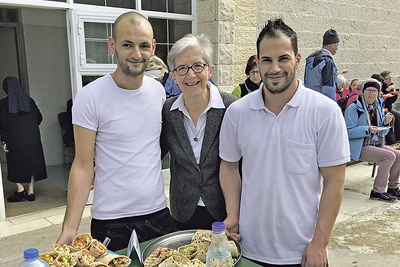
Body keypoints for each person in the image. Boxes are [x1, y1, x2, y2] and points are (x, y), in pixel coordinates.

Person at [219, 19, 350, 266]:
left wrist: (320, 242)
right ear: (257, 62)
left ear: (297, 60)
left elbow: (335, 180)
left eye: (283, 58)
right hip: (249, 248)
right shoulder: (237, 113)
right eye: (266, 60)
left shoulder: (325, 112)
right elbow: (229, 166)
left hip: (303, 251)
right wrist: (233, 215)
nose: (275, 68)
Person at [56, 11, 176, 251]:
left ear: (153, 47)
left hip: (158, 214)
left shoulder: (158, 92)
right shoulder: (90, 97)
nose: (136, 54)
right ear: (112, 45)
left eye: (143, 45)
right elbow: (82, 164)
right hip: (111, 221)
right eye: (127, 45)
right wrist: (70, 228)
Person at [160, 34, 237, 231]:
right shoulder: (168, 112)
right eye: (182, 68)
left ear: (210, 70)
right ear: (173, 76)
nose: (191, 75)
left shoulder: (232, 109)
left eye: (197, 66)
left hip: (223, 212)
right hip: (183, 212)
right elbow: (152, 153)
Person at [345, 78, 400, 202]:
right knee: (389, 156)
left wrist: (386, 124)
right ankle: (377, 190)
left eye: (374, 91)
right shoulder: (354, 108)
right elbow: (347, 132)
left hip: (376, 144)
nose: (371, 93)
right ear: (363, 92)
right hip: (358, 146)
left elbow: (383, 132)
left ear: (378, 93)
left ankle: (393, 187)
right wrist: (367, 129)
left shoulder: (378, 107)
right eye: (368, 90)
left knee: (398, 155)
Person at [0, 77, 47, 202]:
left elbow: (3, 124)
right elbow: (39, 117)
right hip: (33, 140)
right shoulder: (29, 100)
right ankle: (31, 192)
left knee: (15, 165)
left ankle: (20, 190)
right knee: (32, 165)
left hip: (15, 141)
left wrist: (4, 141)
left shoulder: (4, 103)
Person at [304, 29, 340, 101]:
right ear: (332, 45)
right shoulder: (328, 62)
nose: (337, 48)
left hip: (309, 101)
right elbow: (329, 90)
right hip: (321, 105)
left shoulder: (310, 60)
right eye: (337, 45)